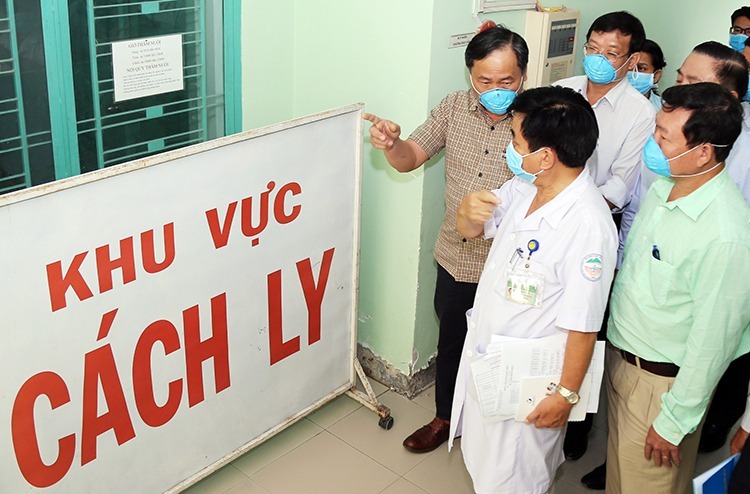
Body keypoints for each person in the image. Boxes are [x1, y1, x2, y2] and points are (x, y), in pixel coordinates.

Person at [362, 24, 527, 453]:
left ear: (523, 76)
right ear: (470, 74)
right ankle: (445, 418)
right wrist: (392, 143)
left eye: (506, 81)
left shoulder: (537, 117)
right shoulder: (454, 106)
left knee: (507, 350)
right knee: (452, 341)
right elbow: (409, 158)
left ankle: (500, 431)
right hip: (458, 256)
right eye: (484, 81)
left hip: (515, 263)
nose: (495, 91)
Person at [448, 85, 617, 494]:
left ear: (545, 157)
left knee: (516, 478)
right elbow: (472, 228)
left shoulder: (588, 226)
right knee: (486, 469)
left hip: (529, 384)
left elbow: (583, 324)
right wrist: (465, 214)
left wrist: (565, 395)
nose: (509, 147)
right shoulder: (525, 188)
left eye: (515, 139)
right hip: (492, 364)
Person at [605, 82, 750, 494]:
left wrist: (673, 422)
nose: (652, 141)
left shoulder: (726, 236)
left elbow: (714, 343)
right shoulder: (664, 187)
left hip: (662, 388)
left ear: (703, 152)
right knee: (621, 482)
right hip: (624, 364)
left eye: (663, 136)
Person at [556, 10, 656, 461]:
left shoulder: (640, 113)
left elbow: (620, 185)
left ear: (631, 59)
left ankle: (577, 426)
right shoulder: (564, 91)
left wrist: (572, 208)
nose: (599, 58)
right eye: (593, 48)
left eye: (611, 53)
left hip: (596, 227)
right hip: (551, 221)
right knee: (550, 320)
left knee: (587, 328)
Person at [627, 39, 667, 110]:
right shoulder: (607, 103)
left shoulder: (665, 109)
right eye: (628, 66)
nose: (632, 72)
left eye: (641, 68)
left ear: (656, 76)